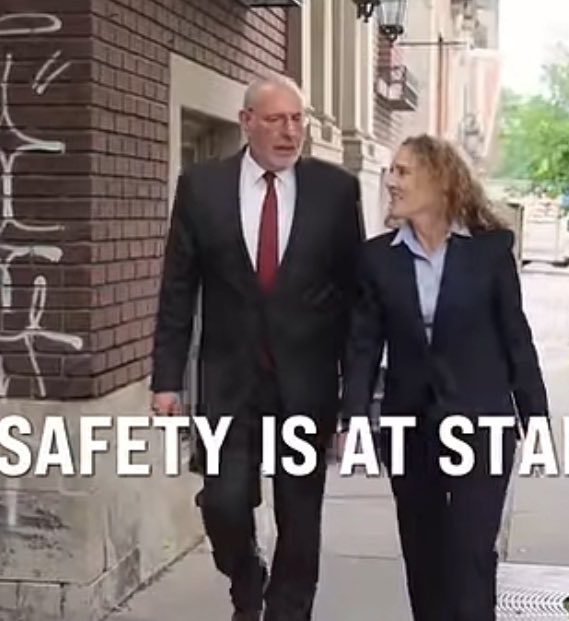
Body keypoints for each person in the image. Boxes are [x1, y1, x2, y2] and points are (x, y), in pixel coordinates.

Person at [149, 72, 365, 621]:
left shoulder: (336, 191)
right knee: (223, 503)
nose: (290, 132)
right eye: (276, 120)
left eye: (298, 120)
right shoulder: (202, 187)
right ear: (247, 123)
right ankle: (245, 575)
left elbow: (355, 301)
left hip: (307, 387)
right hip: (230, 386)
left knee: (300, 523)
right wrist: (167, 378)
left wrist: (353, 403)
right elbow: (179, 288)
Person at [340, 135, 549, 621]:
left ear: (439, 179)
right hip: (409, 427)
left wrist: (534, 415)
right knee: (424, 552)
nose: (391, 181)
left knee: (471, 551)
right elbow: (364, 344)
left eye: (404, 171)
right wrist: (352, 416)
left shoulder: (490, 252)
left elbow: (516, 337)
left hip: (483, 423)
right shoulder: (378, 259)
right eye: (391, 170)